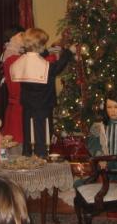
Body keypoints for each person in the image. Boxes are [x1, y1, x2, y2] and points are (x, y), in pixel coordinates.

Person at [10, 28, 74, 157]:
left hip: (27, 106)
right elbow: (57, 68)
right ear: (40, 46)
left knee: (29, 134)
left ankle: (28, 154)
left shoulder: (23, 60)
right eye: (44, 44)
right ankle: (41, 158)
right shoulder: (46, 67)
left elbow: (36, 56)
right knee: (42, 136)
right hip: (43, 107)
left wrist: (47, 51)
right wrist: (69, 52)